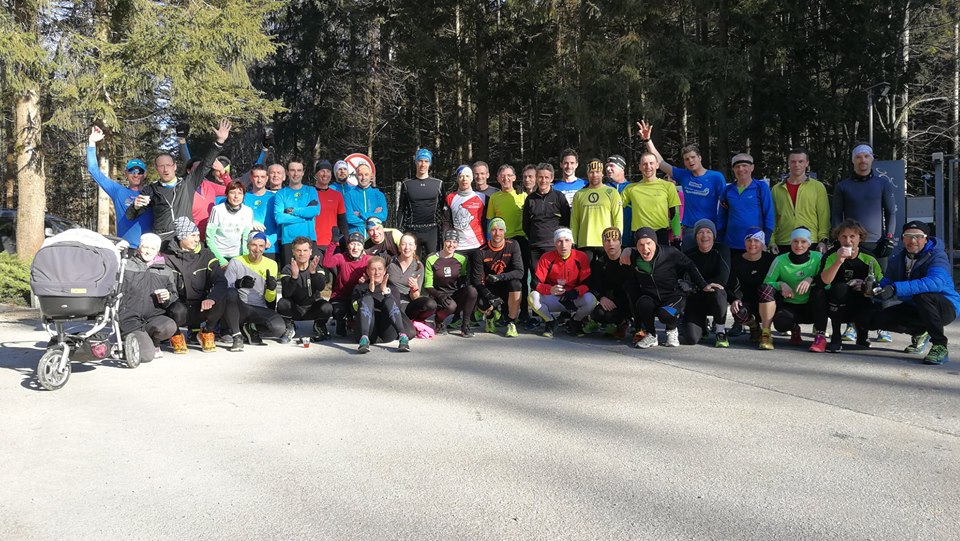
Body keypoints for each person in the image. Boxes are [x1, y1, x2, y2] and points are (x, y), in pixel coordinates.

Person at [858, 221, 960, 365]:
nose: (913, 241)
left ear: (926, 239)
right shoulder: (897, 259)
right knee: (874, 319)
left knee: (923, 295)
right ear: (902, 239)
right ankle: (920, 332)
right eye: (908, 236)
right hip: (915, 306)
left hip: (945, 307)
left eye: (918, 236)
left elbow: (936, 282)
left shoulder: (937, 256)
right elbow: (887, 282)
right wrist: (876, 290)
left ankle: (940, 345)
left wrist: (896, 288)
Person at [832, 143, 898, 344]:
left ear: (872, 159)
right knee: (852, 283)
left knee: (880, 283)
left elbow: (891, 212)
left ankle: (883, 326)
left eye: (866, 156)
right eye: (858, 157)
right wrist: (839, 238)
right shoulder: (843, 186)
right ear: (853, 160)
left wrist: (889, 237)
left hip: (877, 243)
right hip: (852, 243)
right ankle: (852, 324)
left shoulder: (882, 184)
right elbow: (836, 214)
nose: (862, 160)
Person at [127, 119, 231, 240]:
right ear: (156, 169)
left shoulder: (187, 184)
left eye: (168, 165)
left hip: (185, 240)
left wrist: (219, 142)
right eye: (161, 166)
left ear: (175, 166)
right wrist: (135, 207)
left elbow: (206, 164)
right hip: (163, 242)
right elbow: (130, 216)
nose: (166, 169)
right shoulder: (150, 190)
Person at [639, 120, 726, 247]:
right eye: (686, 159)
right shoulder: (684, 176)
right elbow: (661, 163)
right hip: (689, 230)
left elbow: (725, 204)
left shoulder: (716, 177)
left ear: (700, 157)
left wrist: (720, 227)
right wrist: (648, 140)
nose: (690, 161)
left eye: (693, 157)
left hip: (708, 229)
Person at [623, 227, 709, 349]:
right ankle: (651, 335)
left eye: (649, 243)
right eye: (641, 245)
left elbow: (690, 265)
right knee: (642, 303)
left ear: (655, 243)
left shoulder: (670, 252)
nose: (645, 248)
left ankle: (672, 331)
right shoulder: (634, 258)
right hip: (652, 297)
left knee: (665, 314)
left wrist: (703, 285)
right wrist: (626, 250)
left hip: (674, 296)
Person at [162, 217, 235, 353]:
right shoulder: (167, 257)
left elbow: (220, 281)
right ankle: (176, 334)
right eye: (193, 235)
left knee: (221, 297)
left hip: (201, 305)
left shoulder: (206, 254)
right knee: (174, 308)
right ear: (181, 237)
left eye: (197, 235)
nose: (197, 239)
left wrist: (211, 298)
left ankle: (206, 332)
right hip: (179, 306)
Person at [757, 227, 828, 352]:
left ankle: (820, 336)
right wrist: (781, 284)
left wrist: (811, 279)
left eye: (803, 241)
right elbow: (766, 284)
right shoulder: (780, 260)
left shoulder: (818, 258)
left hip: (812, 307)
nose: (799, 245)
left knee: (820, 292)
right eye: (795, 241)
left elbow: (827, 283)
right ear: (790, 242)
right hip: (790, 305)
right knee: (780, 324)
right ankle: (794, 329)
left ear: (809, 243)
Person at [818, 219, 884, 353]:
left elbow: (882, 284)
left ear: (860, 238)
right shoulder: (831, 255)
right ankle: (836, 336)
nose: (848, 241)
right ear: (838, 238)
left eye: (852, 236)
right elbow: (824, 282)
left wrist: (866, 285)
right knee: (839, 288)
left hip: (860, 301)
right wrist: (839, 261)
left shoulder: (869, 258)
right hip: (836, 303)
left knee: (868, 294)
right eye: (844, 236)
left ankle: (862, 335)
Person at [86, 126, 152, 247]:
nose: (136, 175)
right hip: (125, 248)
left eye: (140, 172)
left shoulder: (153, 193)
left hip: (149, 249)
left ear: (145, 174)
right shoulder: (118, 191)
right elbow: (93, 170)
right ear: (126, 173)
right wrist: (91, 143)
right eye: (132, 171)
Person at [118, 233, 180, 358]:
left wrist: (168, 296)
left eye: (153, 248)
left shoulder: (166, 270)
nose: (148, 251)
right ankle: (126, 340)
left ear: (157, 251)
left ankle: (152, 342)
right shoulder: (126, 265)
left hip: (153, 317)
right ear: (139, 248)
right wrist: (115, 252)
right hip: (129, 318)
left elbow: (174, 294)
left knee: (169, 326)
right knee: (146, 355)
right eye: (145, 247)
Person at [529, 228, 596, 337]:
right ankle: (550, 321)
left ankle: (575, 321)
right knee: (533, 297)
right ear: (555, 244)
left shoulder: (581, 257)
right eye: (559, 241)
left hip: (572, 298)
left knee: (591, 300)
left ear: (572, 242)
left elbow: (588, 282)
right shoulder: (546, 258)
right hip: (554, 297)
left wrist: (576, 291)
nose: (563, 245)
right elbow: (535, 283)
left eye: (567, 240)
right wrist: (550, 289)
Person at [224, 232, 285, 349]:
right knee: (230, 293)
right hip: (239, 308)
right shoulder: (236, 262)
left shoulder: (272, 264)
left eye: (261, 246)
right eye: (254, 245)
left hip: (259, 308)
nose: (257, 250)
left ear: (265, 247)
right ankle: (237, 335)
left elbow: (270, 299)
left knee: (279, 328)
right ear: (247, 245)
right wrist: (238, 284)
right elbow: (225, 290)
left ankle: (249, 327)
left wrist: (271, 289)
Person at [486, 164, 531, 322]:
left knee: (522, 278)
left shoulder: (523, 196)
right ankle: (505, 313)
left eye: (509, 175)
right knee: (503, 277)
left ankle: (524, 312)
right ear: (498, 179)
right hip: (502, 242)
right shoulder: (494, 198)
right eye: (502, 176)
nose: (506, 178)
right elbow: (491, 221)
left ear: (514, 177)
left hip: (520, 240)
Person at [681, 220, 732, 347]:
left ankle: (720, 331)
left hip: (714, 298)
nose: (705, 235)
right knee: (691, 339)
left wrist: (700, 285)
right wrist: (703, 286)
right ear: (695, 237)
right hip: (696, 300)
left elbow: (722, 279)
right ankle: (702, 326)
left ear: (714, 236)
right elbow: (684, 281)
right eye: (700, 232)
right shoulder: (689, 254)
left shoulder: (722, 250)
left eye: (708, 232)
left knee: (719, 292)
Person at [770, 148, 830, 254]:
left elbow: (823, 215)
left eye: (801, 161)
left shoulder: (817, 187)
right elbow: (772, 217)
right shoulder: (776, 189)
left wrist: (823, 240)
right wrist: (771, 240)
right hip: (784, 241)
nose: (797, 165)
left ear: (807, 163)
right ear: (788, 163)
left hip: (810, 240)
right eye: (793, 161)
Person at [471, 218, 524, 337]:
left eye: (500, 230)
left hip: (507, 285)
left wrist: (500, 277)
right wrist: (490, 296)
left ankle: (511, 322)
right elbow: (476, 280)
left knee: (516, 284)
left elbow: (519, 272)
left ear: (505, 231)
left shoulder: (513, 245)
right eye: (494, 230)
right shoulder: (480, 251)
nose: (497, 233)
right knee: (481, 302)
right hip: (490, 288)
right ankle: (489, 318)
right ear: (489, 232)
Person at [716, 153, 774, 254]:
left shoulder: (761, 187)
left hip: (754, 244)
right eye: (737, 166)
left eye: (744, 165)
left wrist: (766, 240)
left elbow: (769, 214)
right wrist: (719, 240)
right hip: (731, 243)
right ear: (733, 169)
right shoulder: (727, 190)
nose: (741, 169)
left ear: (752, 167)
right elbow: (722, 217)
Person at [424, 230, 478, 337]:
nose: (451, 245)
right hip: (438, 295)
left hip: (454, 294)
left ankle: (465, 326)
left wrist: (463, 290)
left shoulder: (462, 259)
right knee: (451, 306)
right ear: (443, 241)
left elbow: (462, 277)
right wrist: (439, 295)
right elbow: (428, 286)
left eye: (454, 242)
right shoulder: (431, 259)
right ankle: (439, 321)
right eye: (448, 241)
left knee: (472, 291)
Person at [278, 237, 332, 343]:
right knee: (282, 303)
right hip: (295, 309)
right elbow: (286, 293)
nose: (302, 254)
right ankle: (289, 326)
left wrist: (313, 273)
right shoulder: (287, 269)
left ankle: (319, 325)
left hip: (312, 308)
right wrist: (294, 277)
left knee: (327, 307)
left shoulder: (316, 267)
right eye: (298, 250)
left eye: (305, 250)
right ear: (293, 252)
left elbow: (321, 287)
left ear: (310, 252)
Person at [354, 256, 414, 353]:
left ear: (385, 271)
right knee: (367, 299)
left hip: (386, 332)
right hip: (368, 330)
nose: (377, 272)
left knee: (389, 300)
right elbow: (353, 309)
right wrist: (368, 292)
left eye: (380, 269)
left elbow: (397, 308)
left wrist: (386, 292)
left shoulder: (391, 287)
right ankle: (364, 339)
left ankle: (403, 337)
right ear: (368, 271)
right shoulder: (360, 287)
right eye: (373, 269)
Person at [523, 163, 571, 281]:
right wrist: (535, 237)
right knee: (537, 281)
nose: (543, 180)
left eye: (546, 177)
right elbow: (525, 224)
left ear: (551, 178)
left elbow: (567, 221)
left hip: (554, 246)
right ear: (536, 178)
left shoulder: (559, 197)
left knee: (555, 279)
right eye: (540, 177)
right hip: (535, 247)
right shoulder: (530, 199)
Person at [727, 227, 776, 343]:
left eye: (756, 240)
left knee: (766, 288)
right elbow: (731, 285)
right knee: (738, 311)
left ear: (762, 243)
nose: (752, 244)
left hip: (768, 303)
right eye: (749, 240)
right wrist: (734, 299)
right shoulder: (736, 261)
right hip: (747, 303)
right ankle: (754, 327)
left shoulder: (772, 260)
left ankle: (766, 332)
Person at [621, 152, 680, 245]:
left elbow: (675, 213)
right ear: (640, 167)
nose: (648, 167)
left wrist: (677, 237)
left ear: (657, 165)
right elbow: (616, 208)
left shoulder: (668, 186)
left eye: (651, 163)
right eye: (644, 164)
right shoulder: (630, 188)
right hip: (639, 235)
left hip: (660, 234)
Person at [571, 158, 623, 262]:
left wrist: (617, 240)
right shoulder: (579, 194)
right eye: (591, 172)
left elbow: (618, 218)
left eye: (597, 172)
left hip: (607, 242)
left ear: (602, 173)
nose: (594, 175)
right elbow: (574, 220)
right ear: (587, 173)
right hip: (585, 243)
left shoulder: (612, 192)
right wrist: (573, 242)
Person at [586, 227, 633, 337]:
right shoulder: (600, 263)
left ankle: (637, 325)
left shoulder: (630, 256)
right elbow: (594, 285)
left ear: (620, 242)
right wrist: (601, 297)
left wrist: (630, 250)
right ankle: (619, 324)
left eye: (614, 240)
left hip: (630, 299)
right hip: (612, 299)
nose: (611, 244)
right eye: (607, 241)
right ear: (603, 243)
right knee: (599, 313)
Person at [322, 232, 371, 336]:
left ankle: (353, 320)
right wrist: (333, 243)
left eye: (358, 244)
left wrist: (368, 278)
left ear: (363, 247)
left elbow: (380, 270)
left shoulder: (368, 260)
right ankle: (340, 321)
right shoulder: (341, 257)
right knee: (338, 311)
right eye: (352, 244)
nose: (355, 248)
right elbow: (326, 263)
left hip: (358, 296)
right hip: (341, 296)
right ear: (348, 246)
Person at [273, 159, 320, 263]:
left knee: (310, 272)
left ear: (303, 172)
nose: (296, 174)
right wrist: (303, 218)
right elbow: (279, 218)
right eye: (292, 170)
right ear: (287, 172)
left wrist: (293, 210)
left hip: (309, 240)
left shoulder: (311, 191)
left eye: (299, 170)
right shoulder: (281, 194)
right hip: (289, 241)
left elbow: (315, 211)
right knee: (289, 272)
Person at [398, 148, 443, 255]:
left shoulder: (438, 184)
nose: (423, 164)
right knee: (412, 262)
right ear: (416, 162)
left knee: (433, 262)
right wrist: (399, 230)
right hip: (412, 230)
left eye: (426, 161)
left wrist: (444, 229)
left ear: (430, 163)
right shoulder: (407, 184)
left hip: (432, 231)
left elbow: (443, 208)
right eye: (420, 161)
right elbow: (401, 209)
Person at [386, 232, 438, 323]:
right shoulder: (390, 262)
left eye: (410, 244)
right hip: (391, 301)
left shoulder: (418, 266)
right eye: (403, 244)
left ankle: (417, 321)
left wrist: (414, 289)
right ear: (399, 247)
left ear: (415, 247)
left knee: (431, 304)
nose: (407, 247)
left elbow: (415, 297)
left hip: (408, 304)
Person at [206, 180, 254, 266]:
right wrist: (221, 261)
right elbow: (209, 238)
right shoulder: (217, 210)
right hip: (218, 255)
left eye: (240, 193)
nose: (236, 196)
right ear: (227, 194)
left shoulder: (248, 211)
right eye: (232, 193)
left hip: (238, 256)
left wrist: (245, 258)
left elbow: (246, 238)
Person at [443, 165, 486, 256]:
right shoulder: (450, 198)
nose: (464, 179)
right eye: (461, 176)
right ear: (457, 179)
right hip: (458, 246)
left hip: (478, 244)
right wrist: (448, 240)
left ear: (471, 178)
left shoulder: (482, 197)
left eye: (467, 176)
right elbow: (446, 222)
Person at [313, 159, 348, 259]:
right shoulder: (309, 193)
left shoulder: (337, 195)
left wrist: (347, 241)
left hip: (333, 244)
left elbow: (342, 222)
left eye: (328, 171)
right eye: (322, 171)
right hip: (314, 243)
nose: (325, 174)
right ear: (316, 174)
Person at [243, 164, 280, 261]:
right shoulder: (243, 197)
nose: (259, 180)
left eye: (262, 177)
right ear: (251, 178)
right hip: (249, 247)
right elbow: (237, 220)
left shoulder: (275, 197)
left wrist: (271, 239)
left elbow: (281, 224)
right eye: (256, 176)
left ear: (267, 178)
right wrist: (250, 223)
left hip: (270, 247)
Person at [344, 163, 387, 235]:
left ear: (371, 176)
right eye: (360, 175)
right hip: (355, 236)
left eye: (366, 174)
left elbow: (383, 216)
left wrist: (360, 214)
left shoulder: (379, 195)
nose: (363, 178)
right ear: (356, 176)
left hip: (374, 236)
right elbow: (349, 218)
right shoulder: (349, 195)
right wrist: (373, 218)